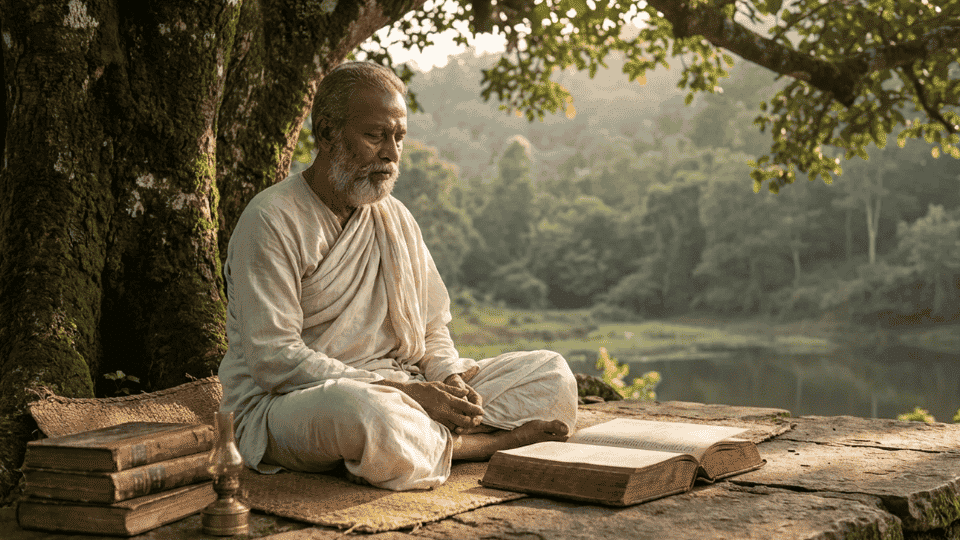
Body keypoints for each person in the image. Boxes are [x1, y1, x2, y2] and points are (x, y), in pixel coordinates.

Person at [217, 61, 578, 491]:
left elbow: (431, 326)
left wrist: (448, 380)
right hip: (297, 403)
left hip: (408, 384)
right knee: (366, 414)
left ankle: (426, 441)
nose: (390, 152)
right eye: (375, 136)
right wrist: (404, 393)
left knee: (552, 375)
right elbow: (274, 359)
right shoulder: (272, 219)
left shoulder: (396, 219)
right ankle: (479, 447)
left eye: (399, 137)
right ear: (327, 132)